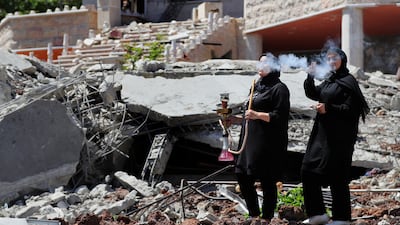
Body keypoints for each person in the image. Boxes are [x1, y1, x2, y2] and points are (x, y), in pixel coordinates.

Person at [301, 47, 369, 225]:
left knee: (337, 176)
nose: (331, 61)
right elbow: (313, 93)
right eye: (328, 59)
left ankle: (342, 218)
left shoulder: (348, 81)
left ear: (343, 59)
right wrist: (310, 76)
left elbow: (352, 110)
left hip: (340, 138)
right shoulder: (330, 80)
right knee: (308, 170)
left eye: (335, 58)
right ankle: (318, 215)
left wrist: (328, 108)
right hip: (322, 135)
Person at [231, 53, 290, 223]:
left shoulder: (280, 88)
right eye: (260, 62)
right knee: (242, 175)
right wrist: (234, 120)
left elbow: (280, 116)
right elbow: (248, 113)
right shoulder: (256, 86)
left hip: (267, 142)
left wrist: (257, 114)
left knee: (267, 179)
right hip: (249, 140)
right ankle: (254, 214)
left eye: (265, 63)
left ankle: (267, 217)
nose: (260, 65)